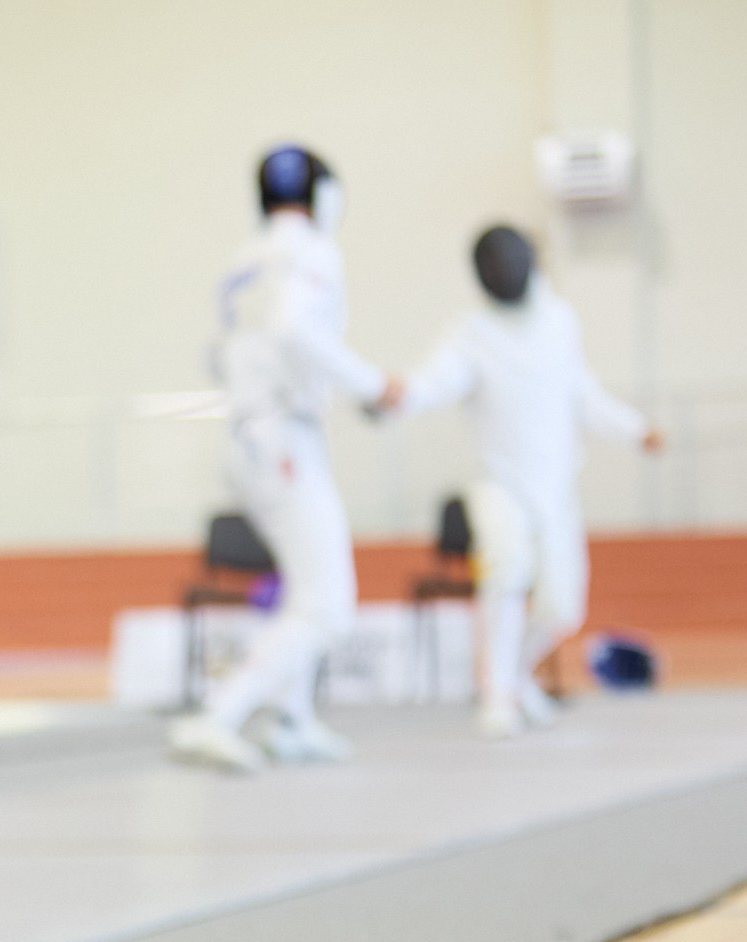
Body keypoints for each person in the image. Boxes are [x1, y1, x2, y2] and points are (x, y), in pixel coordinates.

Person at [171, 145, 398, 773]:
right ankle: (217, 716)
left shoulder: (241, 260)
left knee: (306, 589)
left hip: (249, 438)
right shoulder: (314, 252)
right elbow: (297, 332)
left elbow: (220, 356)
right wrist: (372, 385)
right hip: (283, 441)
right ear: (326, 198)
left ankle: (293, 721)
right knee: (328, 604)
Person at [383, 226, 663, 737]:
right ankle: (497, 697)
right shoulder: (470, 333)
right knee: (506, 572)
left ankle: (511, 678)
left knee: (563, 607)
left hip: (555, 488)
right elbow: (436, 379)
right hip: (498, 485)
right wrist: (405, 394)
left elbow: (584, 395)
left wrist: (635, 430)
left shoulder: (559, 321)